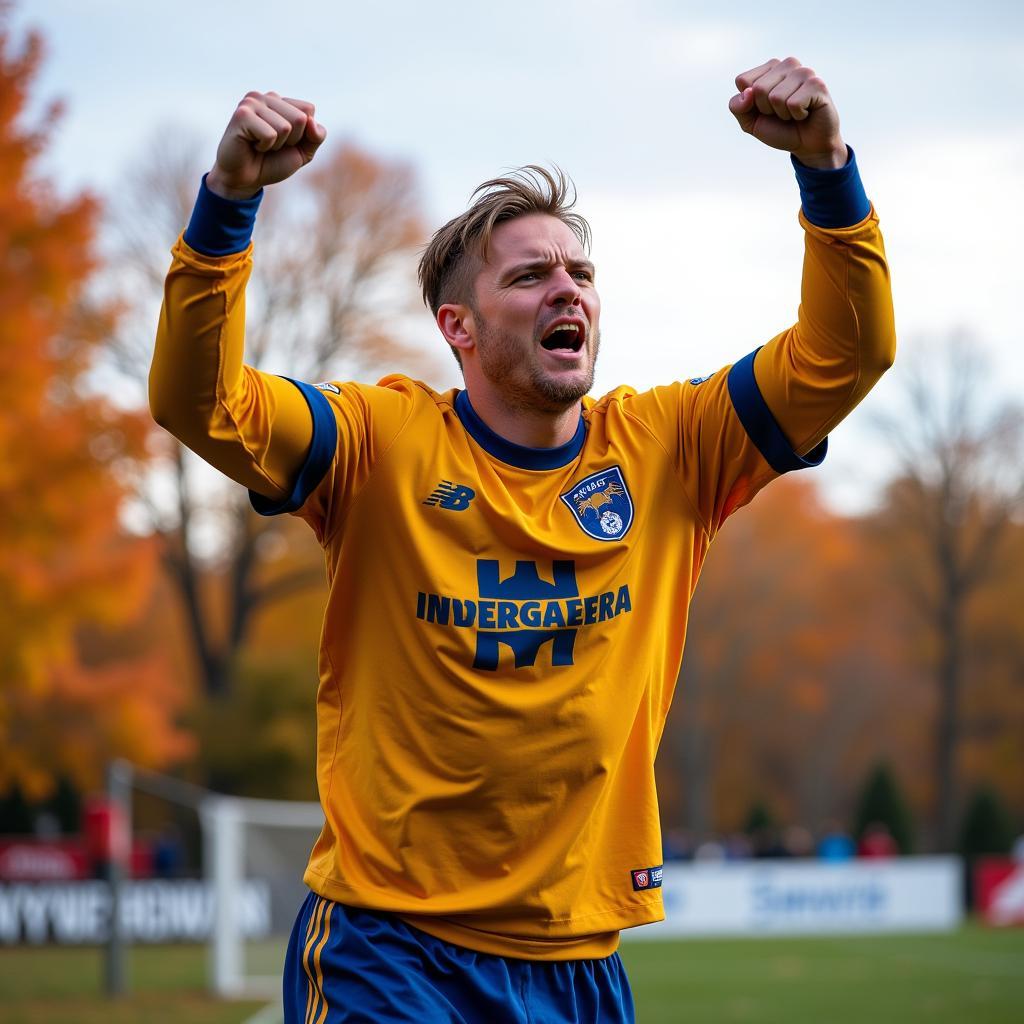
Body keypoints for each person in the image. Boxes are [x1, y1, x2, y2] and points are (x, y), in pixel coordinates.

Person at [151, 57, 895, 1024]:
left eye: (581, 273)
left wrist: (828, 170)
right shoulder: (379, 444)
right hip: (393, 947)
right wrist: (228, 204)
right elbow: (194, 401)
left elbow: (851, 354)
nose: (568, 292)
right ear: (456, 326)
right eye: (532, 275)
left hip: (580, 960)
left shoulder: (671, 448)